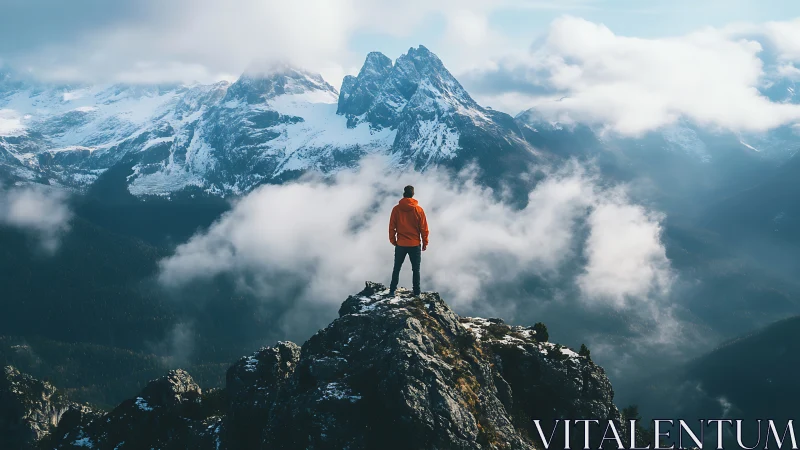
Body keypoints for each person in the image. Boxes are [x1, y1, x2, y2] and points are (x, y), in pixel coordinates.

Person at [388, 185, 429, 296]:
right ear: (413, 194)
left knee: (397, 268)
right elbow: (424, 228)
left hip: (401, 244)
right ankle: (417, 293)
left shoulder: (396, 209)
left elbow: (392, 227)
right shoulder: (418, 210)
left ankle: (392, 290)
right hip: (415, 244)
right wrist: (425, 242)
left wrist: (393, 240)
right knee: (416, 270)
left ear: (404, 194)